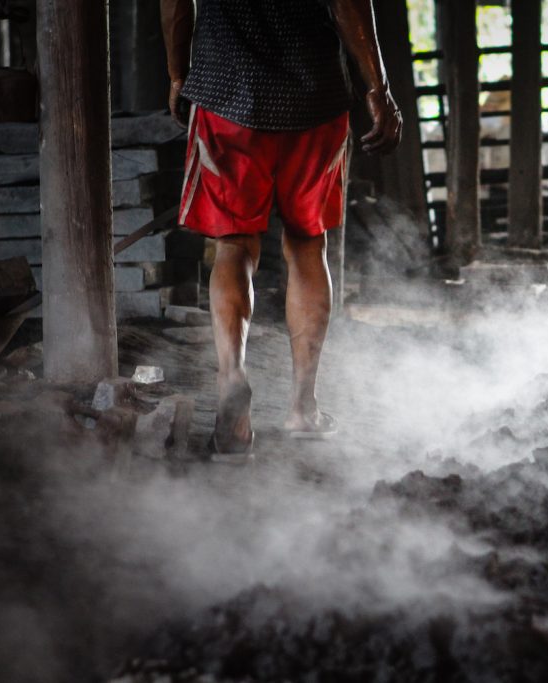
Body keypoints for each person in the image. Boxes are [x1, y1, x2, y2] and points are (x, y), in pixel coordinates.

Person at [160, 0, 402, 457]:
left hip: (225, 91)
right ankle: (303, 407)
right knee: (308, 245)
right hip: (314, 96)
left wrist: (177, 74)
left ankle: (231, 380)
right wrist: (378, 88)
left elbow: (175, 5)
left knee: (233, 246)